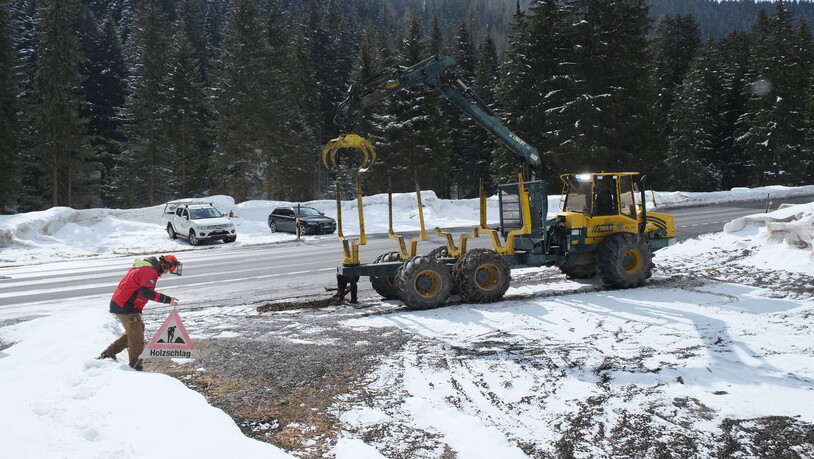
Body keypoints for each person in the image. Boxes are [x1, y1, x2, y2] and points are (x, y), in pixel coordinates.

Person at [98, 255, 182, 370]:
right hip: (125, 306)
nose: (168, 272)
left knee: (137, 330)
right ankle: (136, 368)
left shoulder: (145, 268)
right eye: (170, 269)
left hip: (123, 304)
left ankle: (109, 353)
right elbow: (145, 292)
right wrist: (168, 300)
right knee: (137, 339)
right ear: (165, 264)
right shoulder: (149, 272)